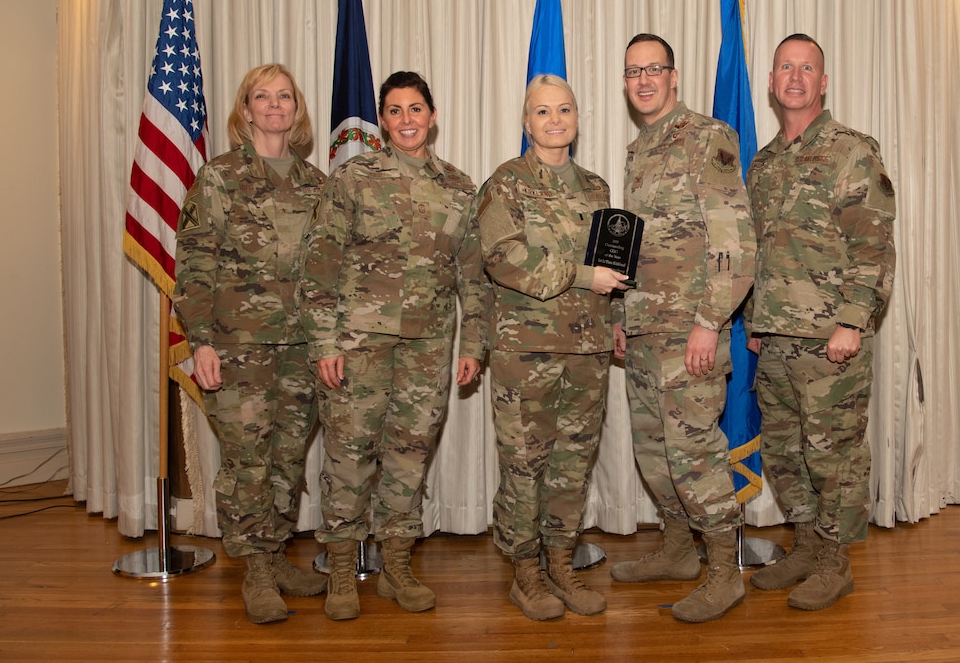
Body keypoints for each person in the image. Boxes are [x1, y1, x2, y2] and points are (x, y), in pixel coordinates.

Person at [300, 71, 488, 621]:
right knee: (349, 456)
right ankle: (340, 570)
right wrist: (324, 343)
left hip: (428, 346)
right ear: (382, 119)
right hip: (358, 345)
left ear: (432, 115)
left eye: (416, 108)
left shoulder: (458, 187)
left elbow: (471, 275)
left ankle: (397, 565)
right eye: (395, 110)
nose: (407, 120)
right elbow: (319, 267)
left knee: (409, 457)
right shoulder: (352, 179)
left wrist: (472, 343)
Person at [173, 63, 328, 624]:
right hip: (239, 347)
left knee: (288, 455)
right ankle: (255, 571)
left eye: (284, 96)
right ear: (245, 110)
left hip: (302, 347)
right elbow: (193, 264)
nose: (274, 105)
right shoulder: (218, 179)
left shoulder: (318, 185)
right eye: (261, 96)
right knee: (247, 459)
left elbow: (332, 269)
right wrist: (202, 342)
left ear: (296, 109)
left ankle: (277, 552)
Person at [745, 34, 896, 610]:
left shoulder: (850, 151)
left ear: (824, 82)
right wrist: (758, 321)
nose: (796, 77)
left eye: (808, 68)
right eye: (786, 67)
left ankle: (836, 563)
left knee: (834, 455)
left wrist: (853, 322)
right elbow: (762, 249)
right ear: (772, 81)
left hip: (832, 338)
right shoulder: (764, 162)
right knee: (785, 452)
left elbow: (873, 247)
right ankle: (806, 546)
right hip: (777, 337)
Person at [610, 34, 757, 623]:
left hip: (689, 334)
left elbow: (734, 241)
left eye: (653, 69)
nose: (643, 81)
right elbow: (634, 249)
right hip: (645, 332)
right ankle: (676, 550)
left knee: (695, 454)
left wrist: (708, 322)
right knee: (654, 452)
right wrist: (622, 317)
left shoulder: (707, 138)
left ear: (674, 75)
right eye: (632, 72)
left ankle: (725, 570)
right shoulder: (636, 150)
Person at [476, 74, 629, 621]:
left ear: (578, 118)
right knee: (524, 465)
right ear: (526, 121)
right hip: (527, 351)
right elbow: (503, 259)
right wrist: (585, 277)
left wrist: (614, 318)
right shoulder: (505, 184)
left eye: (564, 110)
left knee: (572, 464)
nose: (555, 120)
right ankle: (525, 571)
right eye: (543, 112)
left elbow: (613, 270)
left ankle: (561, 563)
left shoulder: (597, 189)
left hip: (588, 350)